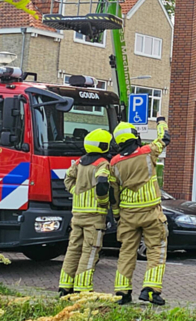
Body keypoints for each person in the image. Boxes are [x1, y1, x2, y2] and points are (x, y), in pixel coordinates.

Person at [110, 117, 170, 305]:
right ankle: (150, 290)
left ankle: (122, 292)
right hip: (151, 212)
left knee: (126, 252)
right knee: (156, 249)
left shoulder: (114, 163)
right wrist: (160, 121)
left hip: (127, 215)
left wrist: (117, 214)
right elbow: (165, 137)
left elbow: (114, 193)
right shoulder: (147, 152)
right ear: (134, 137)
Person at [58, 128, 113, 296]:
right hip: (94, 216)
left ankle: (65, 286)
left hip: (78, 215)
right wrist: (103, 202)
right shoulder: (103, 163)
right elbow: (103, 183)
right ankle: (83, 288)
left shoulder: (80, 162)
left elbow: (67, 178)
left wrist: (76, 191)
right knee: (90, 251)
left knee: (73, 249)